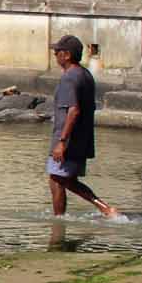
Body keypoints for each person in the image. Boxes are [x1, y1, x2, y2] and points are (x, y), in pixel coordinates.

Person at [47, 36, 119, 218]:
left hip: (68, 137)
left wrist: (62, 141)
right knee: (65, 178)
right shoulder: (85, 75)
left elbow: (74, 110)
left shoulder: (69, 78)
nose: (55, 56)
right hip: (82, 137)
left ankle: (102, 209)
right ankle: (101, 209)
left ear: (67, 55)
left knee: (57, 178)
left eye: (57, 52)